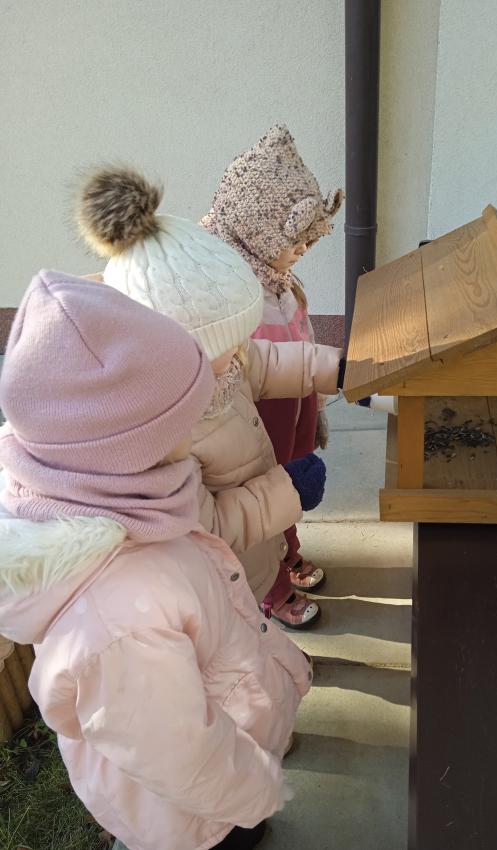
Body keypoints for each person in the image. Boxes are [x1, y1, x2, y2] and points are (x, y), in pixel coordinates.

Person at [0, 272, 311, 850]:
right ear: (126, 448)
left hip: (222, 754)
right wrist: (255, 793)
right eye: (181, 422)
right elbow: (180, 757)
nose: (193, 431)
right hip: (194, 815)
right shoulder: (118, 620)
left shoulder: (124, 503)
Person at [76, 167, 342, 626]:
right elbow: (209, 524)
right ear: (177, 349)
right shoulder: (161, 442)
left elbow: (265, 362)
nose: (240, 349)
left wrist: (335, 369)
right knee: (246, 636)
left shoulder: (219, 364)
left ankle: (279, 575)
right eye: (228, 341)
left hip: (260, 535)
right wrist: (287, 489)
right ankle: (274, 607)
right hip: (227, 579)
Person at [202, 124, 344, 619]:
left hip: (296, 398)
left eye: (308, 243)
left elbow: (302, 342)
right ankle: (274, 589)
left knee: (293, 487)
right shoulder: (232, 294)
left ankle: (290, 550)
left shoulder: (280, 280)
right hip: (258, 416)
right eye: (296, 242)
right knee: (266, 497)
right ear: (256, 233)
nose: (303, 251)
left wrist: (317, 408)